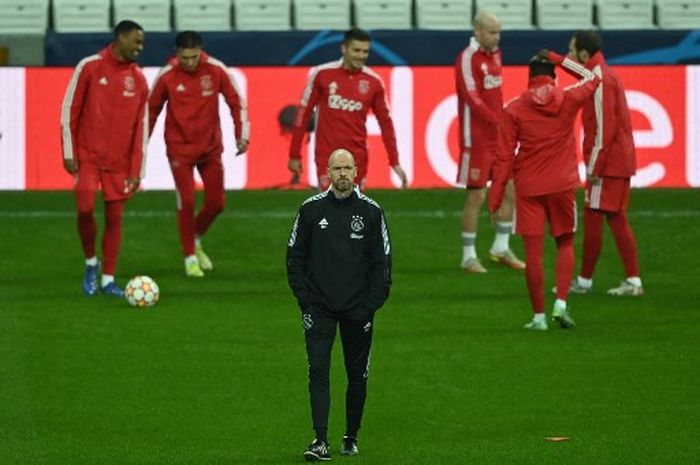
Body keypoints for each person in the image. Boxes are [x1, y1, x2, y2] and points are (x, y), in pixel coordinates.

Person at [286, 149, 392, 461]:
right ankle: (320, 441)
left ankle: (350, 435)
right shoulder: (310, 210)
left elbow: (383, 264)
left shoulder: (372, 212)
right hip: (318, 308)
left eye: (347, 168)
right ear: (327, 172)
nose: (343, 174)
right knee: (317, 371)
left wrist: (370, 304)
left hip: (358, 309)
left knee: (356, 374)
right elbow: (294, 257)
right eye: (337, 168)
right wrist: (305, 299)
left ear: (355, 171)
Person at [489, 51, 600, 330]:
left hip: (529, 186)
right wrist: (559, 57)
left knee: (533, 252)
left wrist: (496, 197)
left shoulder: (513, 108)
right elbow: (592, 77)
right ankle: (561, 303)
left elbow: (504, 156)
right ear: (553, 76)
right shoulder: (568, 98)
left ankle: (539, 317)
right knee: (565, 242)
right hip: (562, 184)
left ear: (529, 78)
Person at [148, 30, 250, 277]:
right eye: (185, 58)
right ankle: (189, 257)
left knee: (217, 203)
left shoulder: (215, 70)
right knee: (188, 200)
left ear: (201, 52)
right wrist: (140, 147)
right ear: (177, 54)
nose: (190, 63)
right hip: (179, 149)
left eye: (194, 57)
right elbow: (151, 111)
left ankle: (194, 239)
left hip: (210, 148)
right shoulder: (168, 75)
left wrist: (242, 133)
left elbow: (236, 101)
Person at [60, 20, 148, 297]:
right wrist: (69, 151)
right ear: (121, 38)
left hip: (120, 163)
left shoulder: (139, 79)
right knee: (85, 208)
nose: (140, 47)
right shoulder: (90, 66)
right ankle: (91, 263)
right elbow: (70, 109)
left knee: (115, 219)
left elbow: (140, 129)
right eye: (136, 41)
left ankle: (108, 279)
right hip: (87, 156)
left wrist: (137, 170)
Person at [561, 31, 644, 296]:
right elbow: (581, 73)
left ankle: (585, 282)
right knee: (616, 218)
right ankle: (632, 281)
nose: (570, 56)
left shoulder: (600, 80)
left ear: (584, 54)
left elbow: (603, 130)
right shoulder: (601, 73)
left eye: (572, 51)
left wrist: (593, 167)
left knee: (595, 218)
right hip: (620, 159)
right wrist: (554, 59)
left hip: (607, 163)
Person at [287, 28, 408, 191]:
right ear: (344, 49)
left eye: (365, 51)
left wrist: (394, 161)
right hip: (327, 156)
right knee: (331, 208)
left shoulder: (374, 82)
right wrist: (295, 154)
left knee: (353, 210)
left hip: (357, 158)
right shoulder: (322, 74)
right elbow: (303, 114)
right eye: (356, 50)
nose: (361, 55)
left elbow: (386, 124)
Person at [455, 11, 525, 273]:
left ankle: (500, 247)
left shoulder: (495, 54)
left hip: (498, 139)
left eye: (499, 32)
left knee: (511, 190)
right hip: (476, 140)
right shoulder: (466, 58)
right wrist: (499, 120)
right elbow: (471, 97)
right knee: (477, 196)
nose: (497, 37)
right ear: (478, 31)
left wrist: (503, 122)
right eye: (493, 32)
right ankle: (468, 256)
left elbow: (495, 93)